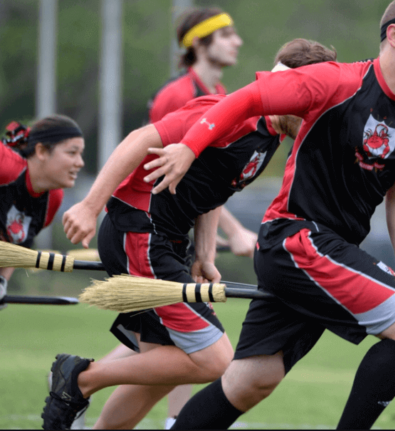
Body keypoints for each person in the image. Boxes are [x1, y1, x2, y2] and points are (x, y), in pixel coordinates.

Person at [138, 0, 395, 430]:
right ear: (394, 36)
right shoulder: (335, 81)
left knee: (252, 381)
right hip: (295, 239)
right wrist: (189, 149)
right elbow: (246, 99)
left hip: (330, 252)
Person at [40, 38, 337, 430]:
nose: (314, 113)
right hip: (141, 232)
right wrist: (89, 206)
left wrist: (205, 255)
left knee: (162, 372)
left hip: (166, 240)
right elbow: (139, 139)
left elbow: (213, 193)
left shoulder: (270, 137)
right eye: (312, 99)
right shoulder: (227, 113)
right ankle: (80, 378)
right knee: (214, 360)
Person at [0, 116, 84, 310]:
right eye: (72, 153)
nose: (80, 162)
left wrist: (2, 282)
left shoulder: (53, 199)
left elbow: (14, 247)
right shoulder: (5, 164)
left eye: (81, 154)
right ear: (41, 151)